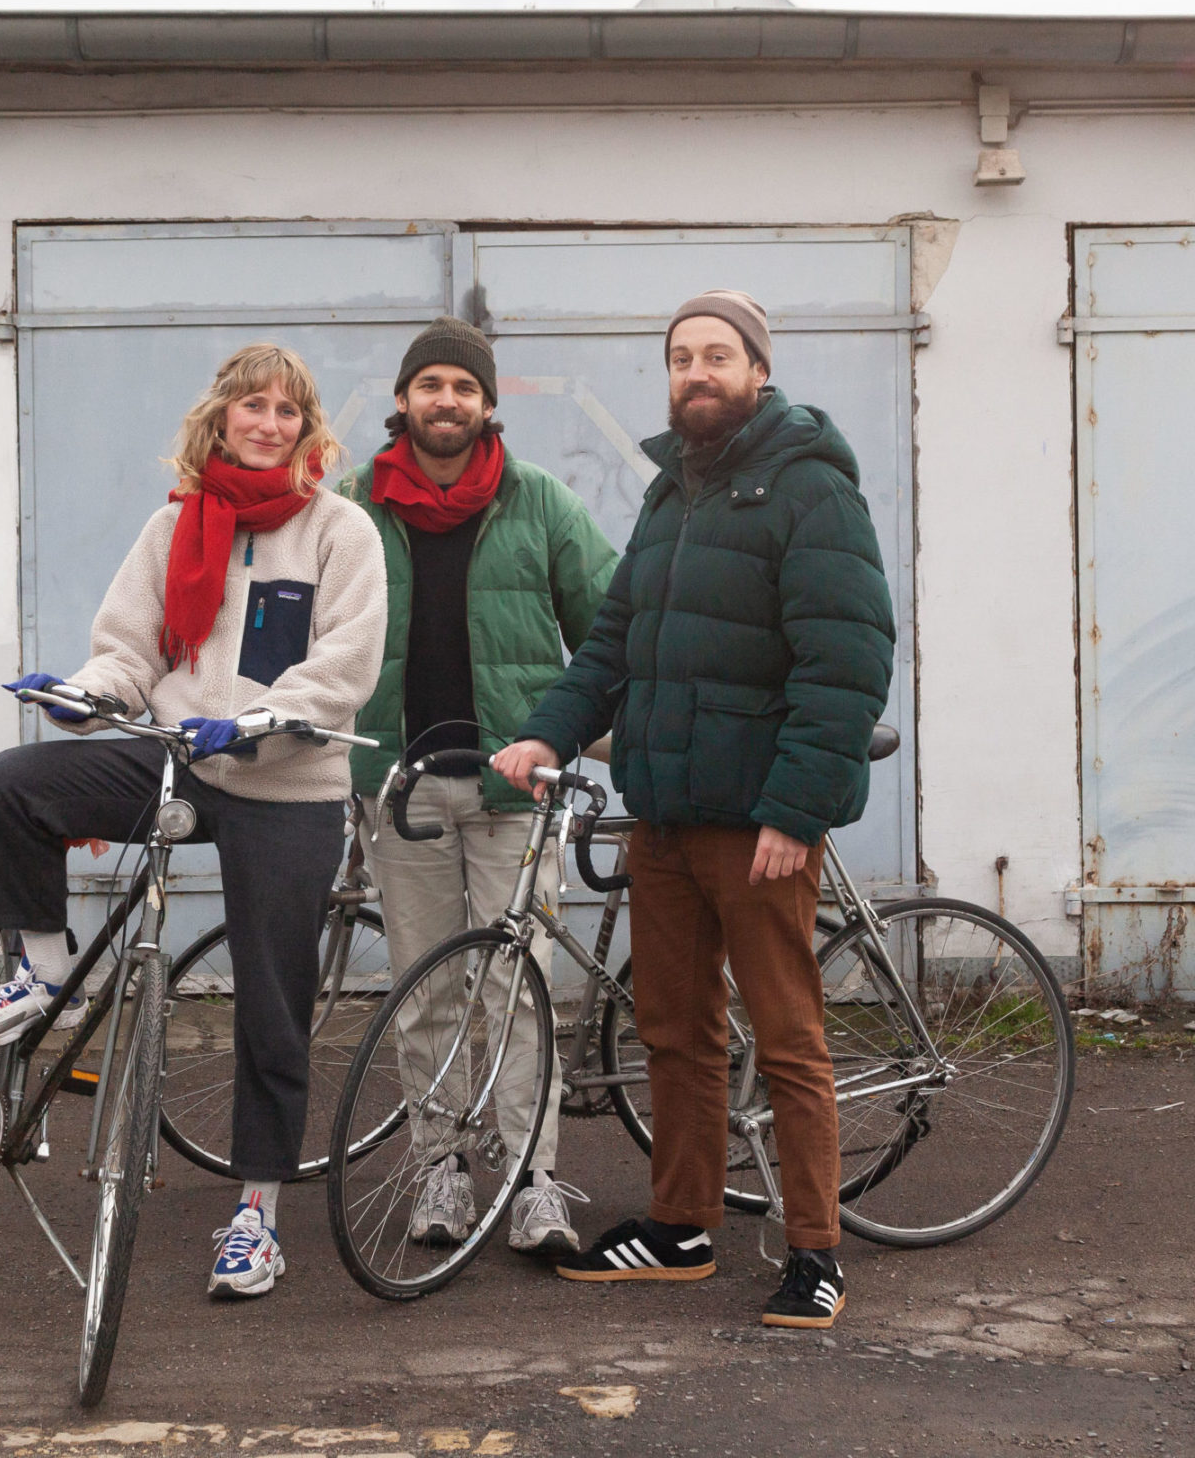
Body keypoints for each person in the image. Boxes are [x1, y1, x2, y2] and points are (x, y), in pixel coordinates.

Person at [0, 343, 387, 1301]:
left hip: (288, 780)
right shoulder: (176, 527)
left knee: (274, 1004)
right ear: (221, 418)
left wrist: (266, 714)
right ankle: (43, 965)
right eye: (252, 407)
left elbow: (348, 665)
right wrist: (78, 694)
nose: (268, 424)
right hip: (178, 756)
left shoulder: (340, 532)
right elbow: (129, 656)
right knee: (18, 781)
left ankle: (257, 1216)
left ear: (307, 429)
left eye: (287, 410)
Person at [493, 290, 895, 1328]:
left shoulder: (810, 490)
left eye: (717, 354)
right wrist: (548, 729)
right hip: (666, 817)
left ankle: (816, 1252)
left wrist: (797, 810)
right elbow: (614, 643)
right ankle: (680, 1228)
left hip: (759, 822)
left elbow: (845, 663)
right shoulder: (672, 494)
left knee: (789, 1036)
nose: (696, 372)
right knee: (674, 1030)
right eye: (680, 357)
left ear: (759, 370)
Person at [338, 317, 618, 1256]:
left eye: (464, 386)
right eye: (431, 385)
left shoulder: (543, 506)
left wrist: (592, 738)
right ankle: (440, 1172)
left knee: (520, 985)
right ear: (405, 400)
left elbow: (609, 633)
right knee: (427, 993)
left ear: (488, 404)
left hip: (515, 798)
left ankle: (536, 1179)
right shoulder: (353, 510)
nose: (447, 400)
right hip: (400, 789)